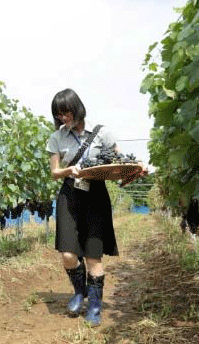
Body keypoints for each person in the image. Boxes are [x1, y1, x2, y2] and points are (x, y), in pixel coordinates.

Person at [46, 88, 145, 327]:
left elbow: (120, 161)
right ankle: (79, 291)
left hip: (96, 196)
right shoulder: (56, 137)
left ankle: (95, 307)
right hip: (70, 194)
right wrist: (69, 170)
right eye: (58, 114)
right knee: (68, 254)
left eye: (66, 112)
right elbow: (54, 172)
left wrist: (136, 167)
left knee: (93, 257)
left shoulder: (102, 133)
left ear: (77, 109)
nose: (63, 118)